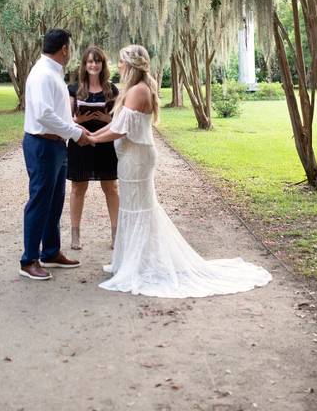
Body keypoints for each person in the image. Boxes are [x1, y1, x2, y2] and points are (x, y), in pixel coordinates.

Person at [88, 45, 273, 298]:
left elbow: (120, 130)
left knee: (139, 208)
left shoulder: (138, 91)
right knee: (133, 207)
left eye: (120, 62)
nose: (117, 66)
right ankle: (130, 261)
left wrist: (91, 139)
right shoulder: (134, 90)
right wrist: (91, 135)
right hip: (131, 157)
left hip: (136, 158)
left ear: (130, 65)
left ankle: (140, 264)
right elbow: (118, 125)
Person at [19, 28, 92, 281]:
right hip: (42, 145)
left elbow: (55, 112)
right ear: (64, 49)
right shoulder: (42, 74)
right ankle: (29, 260)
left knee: (55, 201)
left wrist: (74, 126)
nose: (70, 52)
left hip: (56, 145)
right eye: (69, 48)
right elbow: (43, 115)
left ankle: (51, 251)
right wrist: (74, 133)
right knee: (40, 201)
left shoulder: (53, 73)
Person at [67, 46, 120, 250]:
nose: (93, 65)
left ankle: (116, 234)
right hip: (80, 141)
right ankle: (75, 235)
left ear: (103, 64)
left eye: (97, 61)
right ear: (84, 64)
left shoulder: (111, 90)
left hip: (105, 142)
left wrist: (107, 118)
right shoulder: (73, 88)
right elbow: (67, 118)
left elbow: (118, 119)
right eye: (90, 61)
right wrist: (78, 119)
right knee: (78, 187)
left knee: (111, 187)